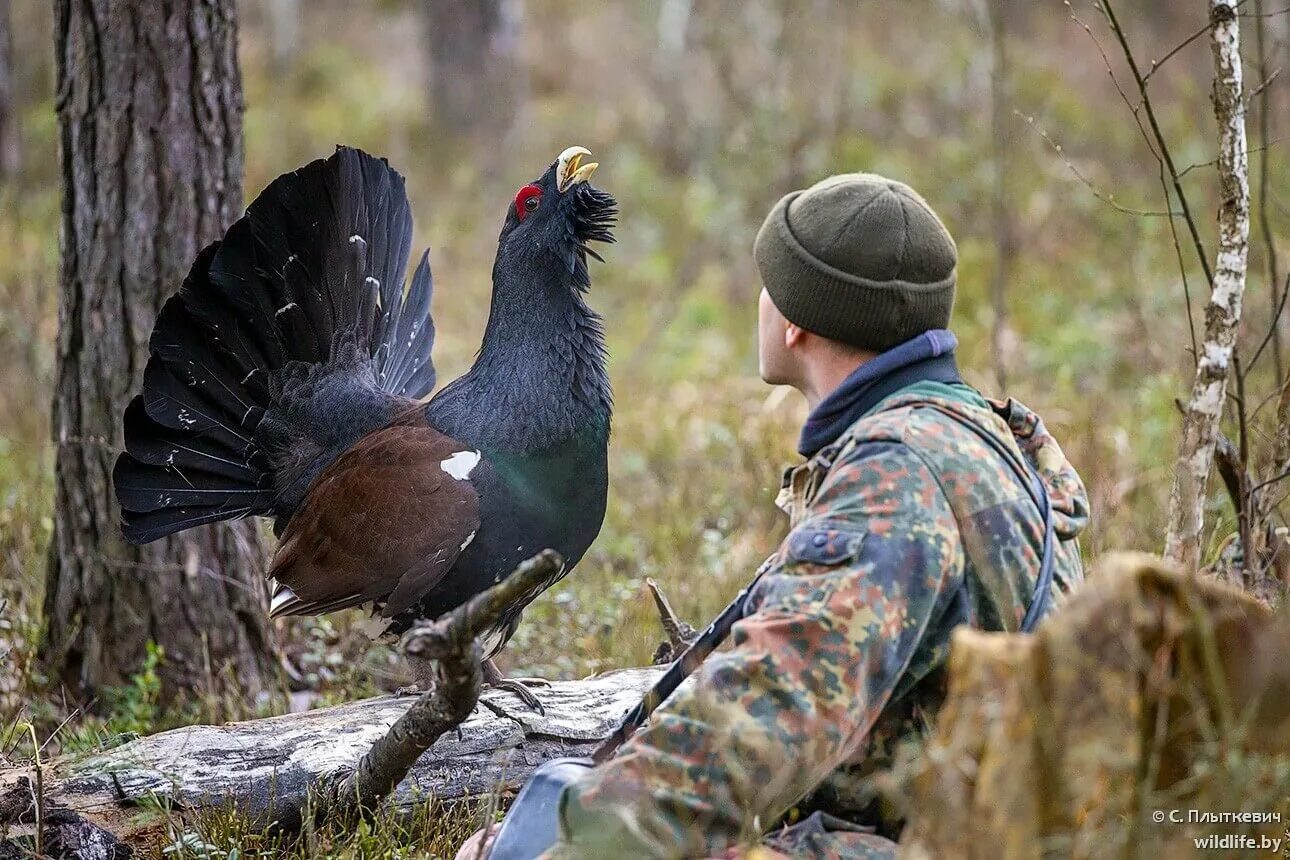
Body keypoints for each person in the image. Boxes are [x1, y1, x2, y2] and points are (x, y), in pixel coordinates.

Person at [460, 173, 1090, 859]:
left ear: (795, 321)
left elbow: (762, 715)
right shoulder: (972, 434)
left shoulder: (895, 482)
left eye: (771, 282)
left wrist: (576, 850)